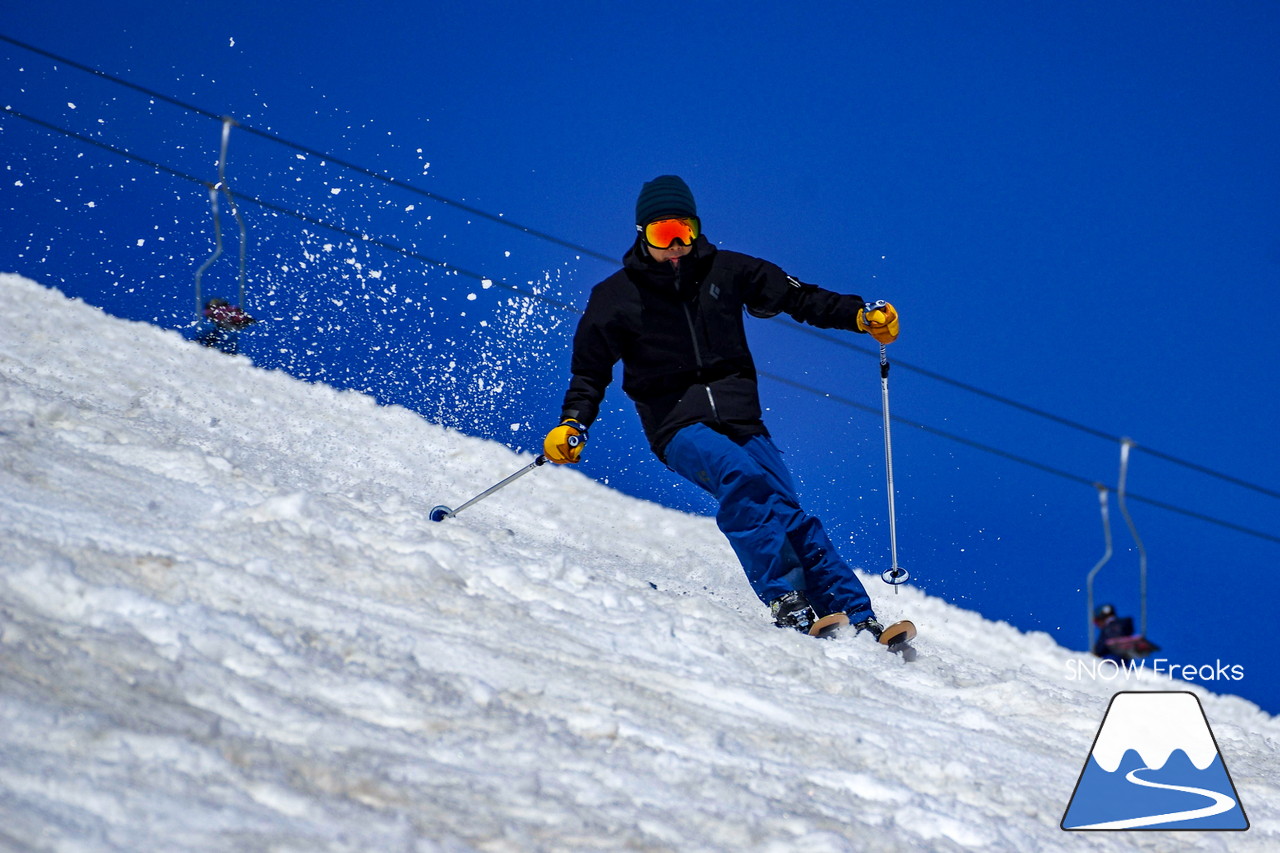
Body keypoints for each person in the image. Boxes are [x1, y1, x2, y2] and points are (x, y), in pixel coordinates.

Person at [543, 175, 901, 638]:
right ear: (641, 235)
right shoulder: (614, 298)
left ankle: (856, 615)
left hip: (743, 420)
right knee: (741, 477)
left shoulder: (728, 272)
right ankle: (785, 598)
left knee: (787, 510)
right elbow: (590, 372)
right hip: (675, 424)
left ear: (696, 229)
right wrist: (573, 424)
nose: (675, 246)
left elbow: (798, 297)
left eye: (683, 231)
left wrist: (857, 315)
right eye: (661, 234)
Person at [1092, 603, 1160, 661]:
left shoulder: (1107, 629)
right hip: (1121, 659)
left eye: (1097, 622)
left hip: (1108, 659)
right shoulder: (1125, 623)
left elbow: (1099, 647)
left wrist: (1095, 654)